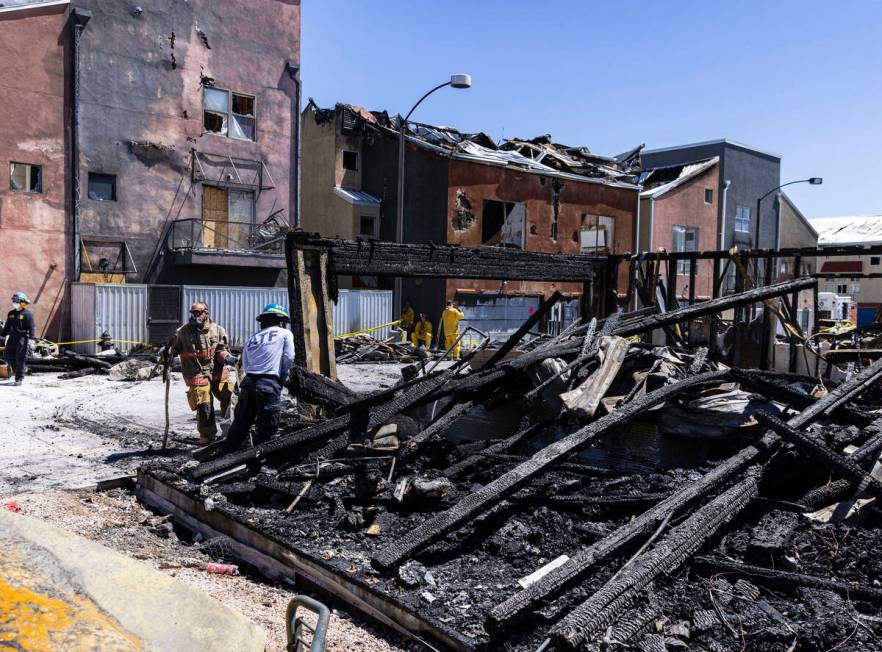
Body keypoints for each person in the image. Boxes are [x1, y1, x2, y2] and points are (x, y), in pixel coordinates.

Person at [222, 303, 294, 454]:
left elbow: (245, 363)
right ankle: (262, 463)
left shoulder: (253, 337)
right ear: (281, 320)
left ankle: (225, 456)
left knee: (240, 424)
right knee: (268, 426)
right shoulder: (285, 333)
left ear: (264, 320)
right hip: (268, 382)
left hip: (248, 383)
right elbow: (288, 358)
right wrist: (281, 378)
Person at [167, 302, 235, 444]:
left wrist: (227, 357)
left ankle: (233, 431)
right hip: (196, 373)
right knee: (204, 405)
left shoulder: (217, 330)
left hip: (217, 373)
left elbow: (221, 349)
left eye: (198, 313)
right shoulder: (182, 332)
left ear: (206, 313)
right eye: (193, 312)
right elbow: (174, 349)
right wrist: (166, 353)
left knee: (230, 399)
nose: (194, 316)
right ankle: (207, 436)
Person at [2, 292, 35, 385]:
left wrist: (31, 340)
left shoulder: (27, 314)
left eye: (16, 300)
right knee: (7, 355)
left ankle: (19, 379)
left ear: (22, 302)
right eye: (13, 300)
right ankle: (20, 369)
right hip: (12, 338)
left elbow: (32, 327)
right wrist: (2, 335)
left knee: (20, 358)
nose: (14, 302)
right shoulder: (11, 313)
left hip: (22, 338)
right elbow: (7, 327)